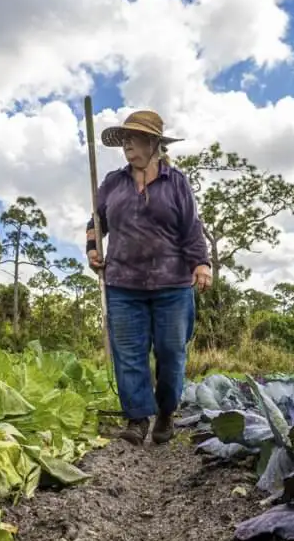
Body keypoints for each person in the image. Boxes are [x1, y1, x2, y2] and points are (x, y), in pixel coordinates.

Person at [85, 110, 212, 445]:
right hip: (123, 283)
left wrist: (201, 263)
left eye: (135, 138)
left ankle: (166, 412)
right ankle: (137, 418)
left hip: (171, 284)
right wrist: (93, 250)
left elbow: (191, 227)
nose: (127, 145)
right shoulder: (113, 182)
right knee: (129, 353)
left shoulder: (177, 182)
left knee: (171, 352)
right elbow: (96, 222)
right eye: (124, 139)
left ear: (154, 143)